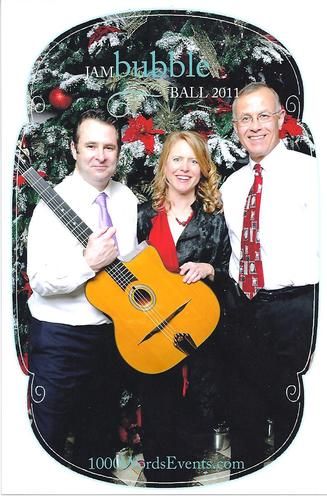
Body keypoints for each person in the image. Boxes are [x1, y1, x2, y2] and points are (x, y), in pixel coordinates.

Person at [27, 110, 138, 472]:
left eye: (109, 147)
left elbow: (131, 264)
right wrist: (87, 264)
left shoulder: (126, 199)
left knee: (99, 439)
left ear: (119, 151)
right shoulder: (50, 205)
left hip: (108, 338)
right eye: (91, 145)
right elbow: (40, 279)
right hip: (61, 339)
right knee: (50, 438)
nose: (100, 155)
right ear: (75, 149)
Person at [220, 82, 319, 478]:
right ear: (236, 126)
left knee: (292, 416)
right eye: (246, 118)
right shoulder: (231, 186)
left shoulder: (313, 173)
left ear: (281, 119)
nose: (255, 126)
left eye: (264, 115)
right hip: (244, 310)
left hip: (298, 310)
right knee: (243, 413)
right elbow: (233, 251)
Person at [137, 131, 231, 486]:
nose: (185, 167)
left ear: (203, 169)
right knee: (157, 408)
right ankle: (158, 481)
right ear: (165, 166)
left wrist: (209, 270)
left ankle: (183, 481)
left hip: (198, 334)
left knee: (194, 410)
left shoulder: (214, 218)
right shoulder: (144, 217)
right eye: (177, 158)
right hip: (152, 333)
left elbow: (229, 274)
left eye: (193, 160)